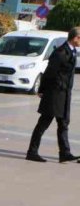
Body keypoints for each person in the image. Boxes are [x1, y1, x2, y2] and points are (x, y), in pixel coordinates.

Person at [26, 26, 80, 163]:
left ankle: (65, 153)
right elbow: (49, 73)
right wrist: (42, 90)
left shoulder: (71, 51)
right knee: (43, 123)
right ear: (75, 38)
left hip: (64, 95)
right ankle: (32, 152)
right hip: (54, 94)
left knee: (63, 124)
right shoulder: (60, 52)